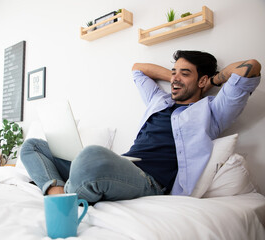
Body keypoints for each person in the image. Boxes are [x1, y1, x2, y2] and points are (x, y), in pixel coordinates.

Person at [20, 50, 261, 203]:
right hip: (122, 166)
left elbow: (251, 67)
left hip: (150, 181)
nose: (175, 78)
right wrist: (176, 77)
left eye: (184, 73)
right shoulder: (159, 100)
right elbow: (138, 68)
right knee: (33, 146)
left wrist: (214, 81)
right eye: (173, 72)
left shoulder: (213, 111)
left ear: (202, 80)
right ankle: (57, 193)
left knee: (91, 154)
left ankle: (67, 189)